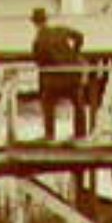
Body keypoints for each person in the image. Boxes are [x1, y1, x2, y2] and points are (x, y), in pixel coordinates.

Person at [30, 7, 87, 139]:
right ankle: (81, 134)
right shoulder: (60, 30)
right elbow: (79, 36)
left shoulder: (38, 41)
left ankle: (50, 134)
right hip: (71, 75)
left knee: (47, 103)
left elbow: (38, 61)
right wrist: (74, 53)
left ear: (35, 23)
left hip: (54, 80)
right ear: (46, 20)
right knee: (78, 103)